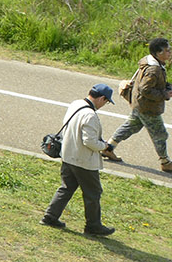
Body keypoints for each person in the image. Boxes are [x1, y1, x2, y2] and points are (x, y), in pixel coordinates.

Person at [102, 38, 172, 173]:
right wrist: (164, 94)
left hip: (139, 104)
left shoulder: (151, 62)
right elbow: (145, 89)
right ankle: (165, 162)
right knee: (160, 134)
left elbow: (149, 85)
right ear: (158, 53)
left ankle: (108, 148)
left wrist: (166, 86)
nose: (170, 52)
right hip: (148, 108)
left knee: (130, 127)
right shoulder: (154, 69)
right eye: (167, 50)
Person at [43, 82, 117, 236]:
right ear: (102, 98)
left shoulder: (76, 104)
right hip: (83, 160)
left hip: (68, 154)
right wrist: (104, 146)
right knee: (93, 193)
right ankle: (93, 226)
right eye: (107, 101)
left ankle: (50, 216)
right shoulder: (90, 115)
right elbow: (89, 141)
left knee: (66, 187)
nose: (105, 105)